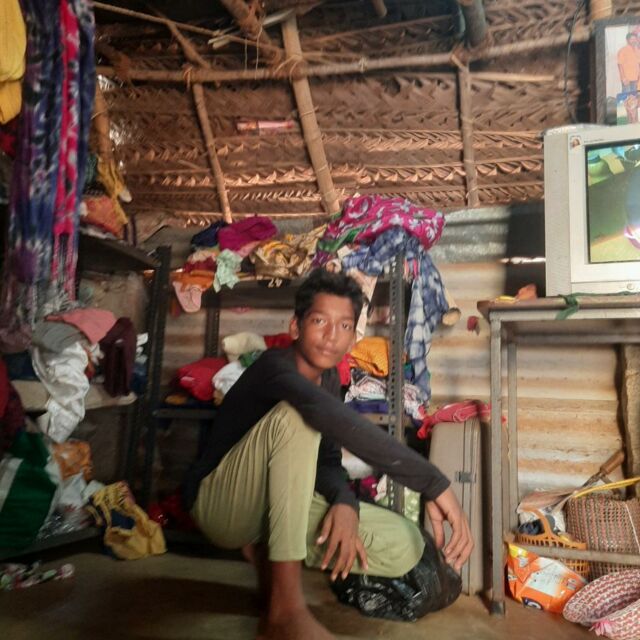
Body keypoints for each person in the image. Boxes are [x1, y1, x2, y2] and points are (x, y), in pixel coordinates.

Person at [182, 269, 473, 640]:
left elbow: (328, 460)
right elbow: (329, 418)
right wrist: (433, 482)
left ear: (353, 337)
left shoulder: (331, 380)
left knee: (404, 542)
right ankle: (284, 614)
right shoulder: (275, 367)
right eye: (319, 321)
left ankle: (267, 555)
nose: (331, 335)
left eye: (344, 325)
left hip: (272, 510)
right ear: (296, 327)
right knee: (296, 416)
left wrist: (344, 501)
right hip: (220, 505)